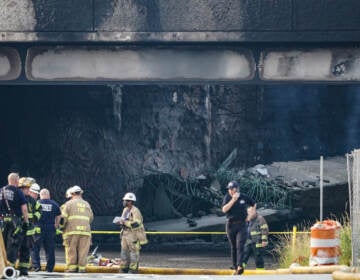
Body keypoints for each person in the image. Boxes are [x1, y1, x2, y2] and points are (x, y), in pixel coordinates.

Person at [222, 180, 256, 275]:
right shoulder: (227, 197)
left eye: (231, 189)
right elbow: (224, 210)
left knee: (240, 246)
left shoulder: (244, 197)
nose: (230, 191)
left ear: (236, 189)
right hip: (230, 224)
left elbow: (253, 204)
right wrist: (233, 200)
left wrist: (251, 215)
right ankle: (235, 267)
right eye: (229, 189)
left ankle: (240, 265)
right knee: (233, 247)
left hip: (242, 225)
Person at [0, 173, 29, 274]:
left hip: (3, 223)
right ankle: (9, 271)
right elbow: (24, 209)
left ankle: (1, 268)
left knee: (2, 246)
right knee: (12, 246)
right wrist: (26, 222)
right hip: (15, 224)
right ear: (16, 181)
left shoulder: (1, 191)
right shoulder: (18, 192)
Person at [61, 185, 93, 273]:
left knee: (71, 251)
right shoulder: (87, 204)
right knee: (83, 252)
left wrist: (60, 228)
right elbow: (91, 218)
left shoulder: (68, 204)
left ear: (72, 194)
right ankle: (82, 269)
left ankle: (71, 268)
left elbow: (63, 219)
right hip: (85, 232)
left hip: (71, 232)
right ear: (80, 193)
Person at [116, 192, 147, 274]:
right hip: (125, 234)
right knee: (124, 252)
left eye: (126, 200)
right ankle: (124, 268)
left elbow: (137, 224)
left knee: (133, 253)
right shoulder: (125, 210)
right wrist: (120, 222)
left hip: (133, 235)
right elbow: (123, 220)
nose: (124, 202)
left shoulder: (135, 211)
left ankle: (133, 270)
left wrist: (125, 223)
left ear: (130, 201)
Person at [31, 188, 61, 272]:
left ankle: (36, 266)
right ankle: (50, 268)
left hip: (38, 228)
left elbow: (32, 215)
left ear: (40, 195)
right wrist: (56, 225)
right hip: (50, 228)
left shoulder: (37, 203)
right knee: (50, 249)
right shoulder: (54, 204)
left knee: (35, 248)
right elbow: (59, 215)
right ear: (49, 195)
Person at [17, 177, 42, 276]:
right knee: (14, 251)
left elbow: (39, 210)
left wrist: (35, 218)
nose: (29, 190)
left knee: (26, 252)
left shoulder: (32, 200)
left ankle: (23, 270)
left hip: (29, 231)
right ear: (21, 188)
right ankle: (10, 269)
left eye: (29, 188)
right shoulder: (17, 198)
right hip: (18, 230)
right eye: (27, 188)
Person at [243, 206, 269, 270]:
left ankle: (260, 271)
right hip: (248, 241)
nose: (249, 213)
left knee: (258, 257)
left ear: (254, 211)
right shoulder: (247, 219)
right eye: (248, 212)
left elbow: (264, 229)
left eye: (250, 212)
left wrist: (264, 240)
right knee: (244, 255)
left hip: (257, 242)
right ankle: (239, 268)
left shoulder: (260, 219)